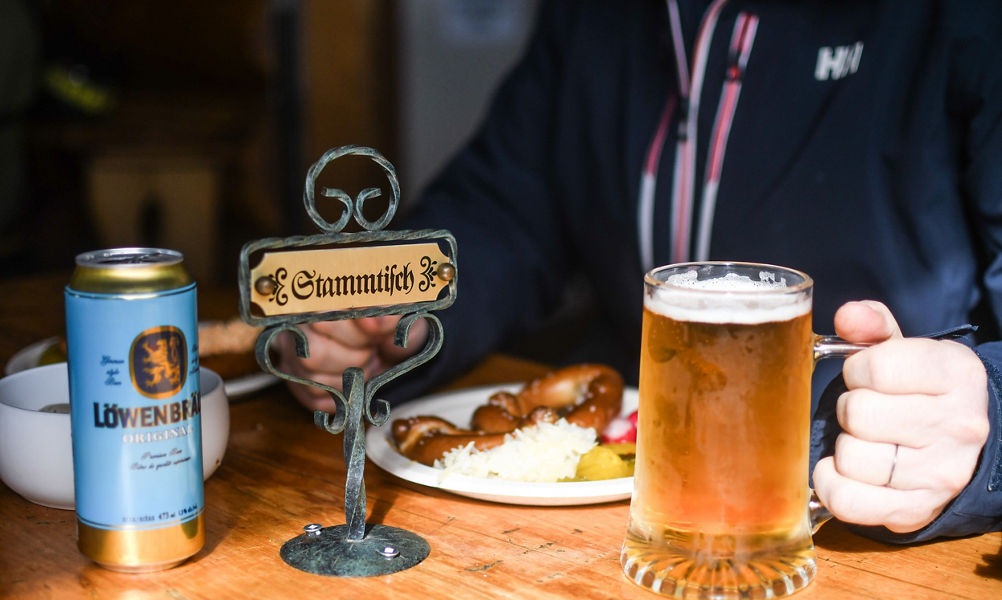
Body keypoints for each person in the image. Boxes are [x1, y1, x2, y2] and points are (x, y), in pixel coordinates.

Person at [275, 0, 1002, 544]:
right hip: (619, 522)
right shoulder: (599, 16)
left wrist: (988, 428)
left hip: (861, 541)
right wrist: (391, 312)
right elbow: (506, 208)